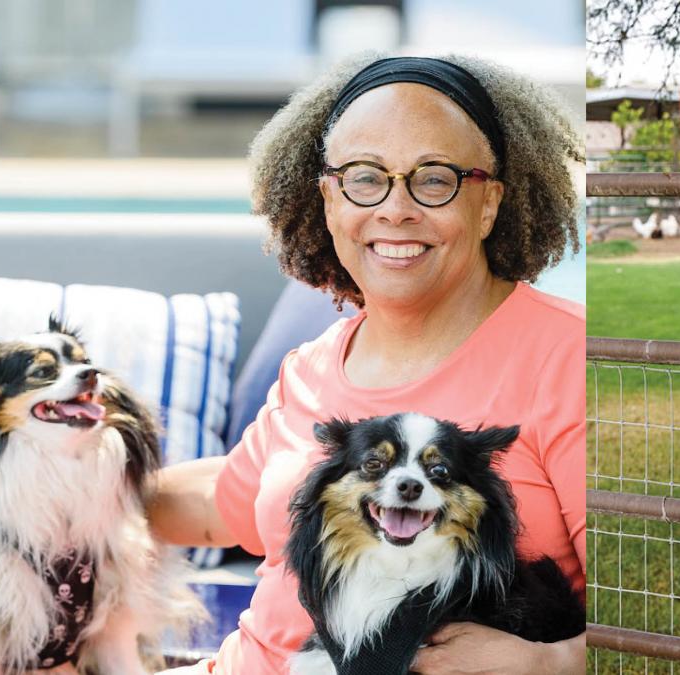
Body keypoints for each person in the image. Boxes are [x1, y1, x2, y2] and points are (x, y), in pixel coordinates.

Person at [149, 54, 586, 674]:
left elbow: (643, 604)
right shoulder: (311, 366)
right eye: (364, 176)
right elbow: (223, 504)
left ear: (488, 203)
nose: (395, 208)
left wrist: (547, 664)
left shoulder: (567, 358)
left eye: (433, 179)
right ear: (329, 200)